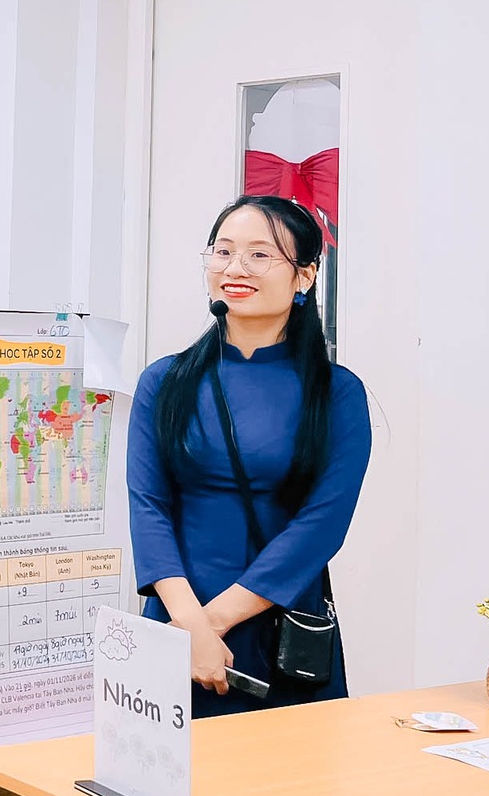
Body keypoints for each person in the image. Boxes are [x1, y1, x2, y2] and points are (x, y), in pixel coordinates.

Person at [128, 194, 371, 717]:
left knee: (290, 767)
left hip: (281, 627)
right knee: (167, 769)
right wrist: (188, 625)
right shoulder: (164, 381)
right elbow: (148, 508)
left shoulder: (336, 392)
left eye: (260, 255)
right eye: (223, 251)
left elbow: (321, 526)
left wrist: (212, 625)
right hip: (175, 621)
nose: (235, 268)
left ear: (304, 276)